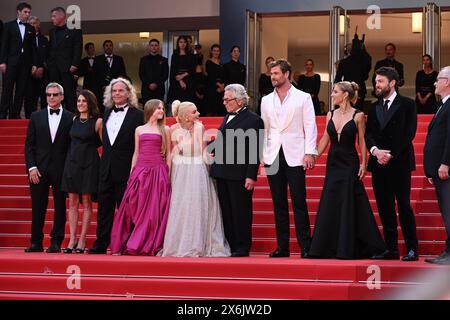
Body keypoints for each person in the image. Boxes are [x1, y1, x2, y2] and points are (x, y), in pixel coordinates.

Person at [308, 81, 385, 259]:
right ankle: (326, 247)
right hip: (333, 163)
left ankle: (349, 246)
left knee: (349, 202)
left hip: (350, 163)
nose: (332, 94)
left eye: (335, 91)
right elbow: (325, 139)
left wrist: (364, 163)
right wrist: (313, 156)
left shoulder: (358, 115)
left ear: (345, 95)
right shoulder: (330, 114)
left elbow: (362, 141)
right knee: (331, 201)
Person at [261, 59, 317, 259]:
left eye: (276, 73)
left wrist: (310, 152)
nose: (272, 76)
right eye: (271, 73)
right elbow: (265, 129)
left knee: (299, 201)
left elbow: (310, 125)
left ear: (286, 74)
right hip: (273, 155)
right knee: (278, 202)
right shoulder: (266, 100)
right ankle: (282, 247)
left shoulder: (303, 97)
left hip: (296, 154)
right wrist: (263, 154)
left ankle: (305, 246)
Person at [160, 100, 230, 257]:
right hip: (180, 169)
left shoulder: (200, 127)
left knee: (198, 203)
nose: (198, 114)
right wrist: (169, 173)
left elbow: (204, 152)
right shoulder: (173, 129)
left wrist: (211, 172)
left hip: (197, 168)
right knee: (181, 204)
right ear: (185, 116)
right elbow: (171, 153)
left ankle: (199, 242)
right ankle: (179, 242)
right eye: (194, 112)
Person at [365, 66, 419, 261]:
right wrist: (375, 152)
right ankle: (391, 248)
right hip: (379, 163)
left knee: (403, 205)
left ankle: (412, 248)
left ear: (392, 83)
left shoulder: (408, 104)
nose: (376, 85)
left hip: (400, 163)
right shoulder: (373, 107)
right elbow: (368, 134)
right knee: (384, 207)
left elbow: (409, 133)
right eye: (376, 81)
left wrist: (391, 154)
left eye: (380, 81)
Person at [88, 77, 144, 254]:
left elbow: (140, 144)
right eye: (114, 91)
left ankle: (129, 244)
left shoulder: (138, 115)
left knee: (127, 210)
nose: (117, 94)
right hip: (106, 169)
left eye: (120, 90)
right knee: (104, 209)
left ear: (128, 93)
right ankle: (101, 244)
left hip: (127, 169)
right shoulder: (106, 113)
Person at [110, 99, 171, 256]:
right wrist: (132, 172)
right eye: (159, 108)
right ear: (151, 109)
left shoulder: (165, 129)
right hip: (140, 170)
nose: (161, 111)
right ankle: (128, 241)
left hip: (158, 171)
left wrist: (168, 173)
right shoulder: (139, 129)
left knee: (154, 209)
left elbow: (169, 154)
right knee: (132, 204)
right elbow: (136, 152)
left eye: (163, 109)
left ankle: (148, 243)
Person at [209, 84, 264, 257]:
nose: (224, 102)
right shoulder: (227, 116)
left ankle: (242, 246)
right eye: (224, 99)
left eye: (227, 99)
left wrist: (251, 175)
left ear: (239, 100)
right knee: (226, 210)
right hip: (222, 171)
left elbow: (255, 150)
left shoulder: (254, 120)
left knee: (241, 210)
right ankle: (231, 244)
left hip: (240, 173)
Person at [24, 82, 74, 253]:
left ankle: (56, 242)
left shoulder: (70, 117)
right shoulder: (35, 116)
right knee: (38, 206)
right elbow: (29, 145)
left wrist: (69, 169)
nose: (51, 97)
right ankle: (36, 242)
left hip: (61, 170)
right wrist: (31, 167)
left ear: (61, 96)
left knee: (60, 206)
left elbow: (71, 146)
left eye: (55, 94)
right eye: (48, 95)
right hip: (38, 169)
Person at [61, 90, 102, 254]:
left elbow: (105, 145)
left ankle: (83, 239)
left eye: (84, 101)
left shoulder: (98, 122)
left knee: (86, 202)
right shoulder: (73, 119)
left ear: (90, 103)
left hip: (90, 164)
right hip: (72, 163)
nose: (80, 103)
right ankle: (72, 238)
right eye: (78, 101)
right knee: (71, 203)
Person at [424, 66, 450, 265]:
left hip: (446, 169)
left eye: (438, 79)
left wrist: (445, 163)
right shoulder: (443, 105)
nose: (435, 82)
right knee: (446, 210)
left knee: (449, 210)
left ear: (447, 82)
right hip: (439, 169)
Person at [0, 2, 38, 119]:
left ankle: (14, 115)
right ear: (19, 12)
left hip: (25, 65)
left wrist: (35, 64)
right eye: (25, 12)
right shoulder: (8, 26)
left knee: (20, 91)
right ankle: (2, 114)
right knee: (7, 89)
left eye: (29, 12)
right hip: (11, 63)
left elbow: (33, 49)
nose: (27, 15)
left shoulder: (31, 28)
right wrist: (2, 62)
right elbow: (4, 45)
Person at [47, 7, 82, 113]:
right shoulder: (52, 31)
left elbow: (78, 48)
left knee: (69, 94)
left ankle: (73, 116)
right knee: (55, 93)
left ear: (62, 16)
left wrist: (75, 64)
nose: (52, 19)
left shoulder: (75, 30)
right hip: (54, 68)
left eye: (54, 16)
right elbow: (51, 49)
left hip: (68, 68)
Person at [334, 33, 371, 111]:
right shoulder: (362, 61)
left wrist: (339, 89)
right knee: (358, 111)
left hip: (347, 90)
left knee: (346, 111)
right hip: (359, 89)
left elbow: (337, 79)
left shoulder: (344, 62)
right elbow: (366, 75)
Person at [93, 40, 127, 115]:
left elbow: (122, 74)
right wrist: (102, 86)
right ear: (103, 47)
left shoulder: (119, 59)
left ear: (112, 47)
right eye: (106, 45)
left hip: (115, 89)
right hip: (101, 90)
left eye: (110, 45)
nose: (108, 47)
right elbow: (95, 75)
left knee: (115, 108)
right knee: (102, 110)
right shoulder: (97, 59)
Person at [24, 16, 49, 118]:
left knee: (44, 98)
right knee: (29, 99)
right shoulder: (24, 39)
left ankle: (44, 121)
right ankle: (29, 120)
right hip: (28, 74)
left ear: (39, 25)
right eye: (30, 23)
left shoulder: (45, 40)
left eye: (34, 23)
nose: (32, 25)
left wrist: (42, 68)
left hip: (43, 74)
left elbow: (48, 56)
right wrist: (32, 68)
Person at [167, 35, 196, 107]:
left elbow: (192, 69)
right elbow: (173, 70)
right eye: (180, 42)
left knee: (187, 104)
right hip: (176, 82)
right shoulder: (174, 55)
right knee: (177, 104)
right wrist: (180, 80)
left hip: (188, 81)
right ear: (178, 43)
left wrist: (182, 76)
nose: (182, 44)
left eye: (184, 42)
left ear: (187, 44)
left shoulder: (191, 55)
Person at [139, 39, 169, 103]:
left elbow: (165, 75)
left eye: (156, 45)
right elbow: (141, 74)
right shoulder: (143, 60)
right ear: (149, 47)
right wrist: (149, 84)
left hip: (159, 90)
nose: (154, 47)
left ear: (158, 47)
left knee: (158, 110)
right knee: (146, 111)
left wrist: (156, 84)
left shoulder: (164, 60)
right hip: (146, 90)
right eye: (152, 45)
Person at [205, 44, 224, 116]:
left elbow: (224, 76)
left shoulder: (221, 63)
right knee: (211, 109)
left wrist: (223, 86)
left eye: (218, 51)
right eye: (214, 51)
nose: (216, 52)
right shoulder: (208, 62)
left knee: (219, 110)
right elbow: (211, 76)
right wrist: (219, 85)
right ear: (211, 52)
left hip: (221, 90)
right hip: (211, 88)